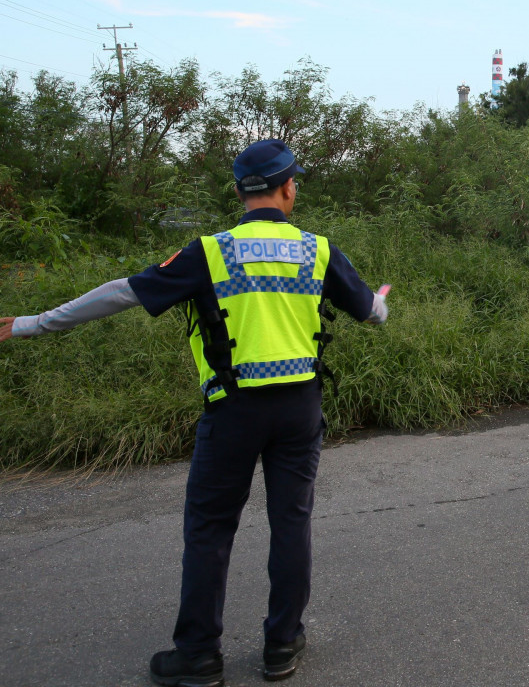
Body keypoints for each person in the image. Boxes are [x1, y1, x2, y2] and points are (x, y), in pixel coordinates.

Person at [0, 140, 390, 686]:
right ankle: (282, 645)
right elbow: (371, 311)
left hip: (233, 409)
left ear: (238, 192)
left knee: (210, 530)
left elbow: (122, 292)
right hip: (299, 407)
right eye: (295, 182)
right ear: (287, 189)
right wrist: (383, 302)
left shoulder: (209, 252)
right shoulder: (317, 251)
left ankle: (200, 656)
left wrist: (34, 322)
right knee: (291, 522)